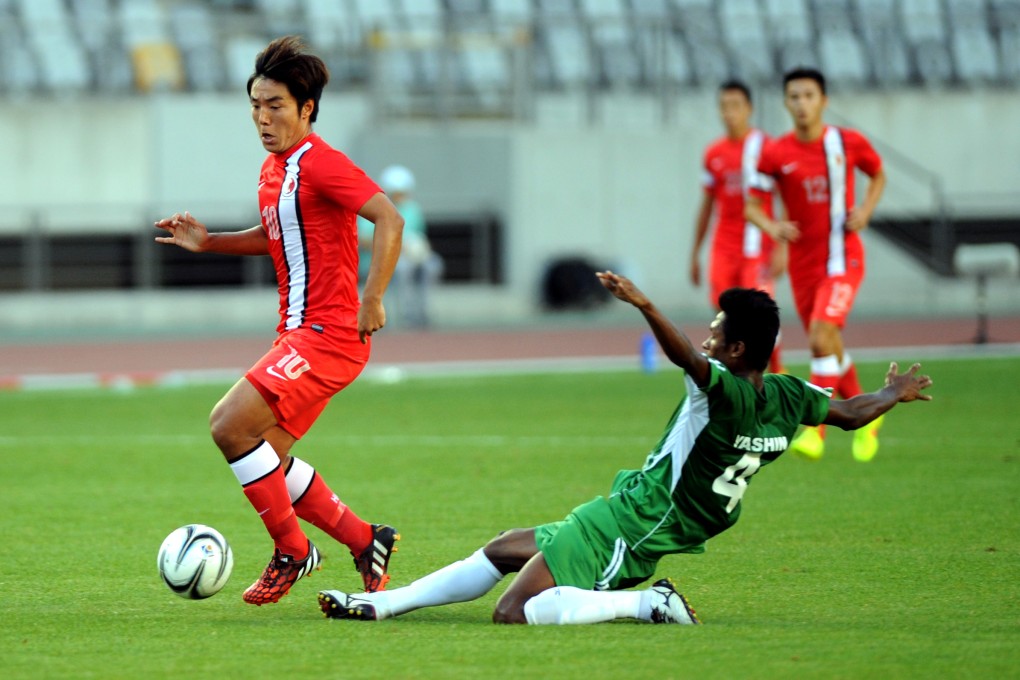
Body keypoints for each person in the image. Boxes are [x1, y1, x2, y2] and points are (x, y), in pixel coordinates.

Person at [317, 271, 932, 625]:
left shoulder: (723, 392)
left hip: (642, 522)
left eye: (718, 333)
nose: (709, 339)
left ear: (739, 350)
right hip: (646, 509)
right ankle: (381, 607)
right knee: (506, 548)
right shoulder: (790, 394)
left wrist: (644, 304)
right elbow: (849, 413)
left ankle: (647, 604)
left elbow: (684, 357)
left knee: (513, 612)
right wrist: (889, 391)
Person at [154, 36, 404, 606]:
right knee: (265, 451)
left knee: (227, 425)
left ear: (306, 109)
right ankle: (367, 540)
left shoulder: (322, 164)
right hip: (301, 333)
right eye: (255, 105)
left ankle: (292, 549)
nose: (262, 118)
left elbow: (388, 219)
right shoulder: (276, 170)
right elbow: (277, 237)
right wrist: (210, 241)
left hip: (331, 333)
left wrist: (374, 297)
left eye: (275, 106)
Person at [746, 67, 887, 462]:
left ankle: (815, 431)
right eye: (794, 96)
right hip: (803, 265)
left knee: (820, 336)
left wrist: (866, 211)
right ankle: (869, 417)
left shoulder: (847, 142)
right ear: (786, 103)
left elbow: (878, 175)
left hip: (844, 258)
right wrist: (773, 226)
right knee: (829, 343)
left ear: (823, 101)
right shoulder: (775, 152)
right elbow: (752, 206)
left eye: (809, 95)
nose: (802, 103)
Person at [691, 80, 785, 373]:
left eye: (735, 106)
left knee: (758, 316)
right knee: (724, 316)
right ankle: (737, 381)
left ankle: (776, 374)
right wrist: (695, 253)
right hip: (724, 246)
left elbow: (785, 197)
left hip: (757, 247)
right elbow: (707, 205)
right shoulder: (714, 153)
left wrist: (783, 246)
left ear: (749, 109)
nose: (729, 113)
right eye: (724, 106)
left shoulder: (766, 148)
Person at [358, 165, 443, 328]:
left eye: (404, 192)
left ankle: (424, 312)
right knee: (403, 268)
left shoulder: (413, 209)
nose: (400, 196)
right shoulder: (376, 206)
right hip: (381, 260)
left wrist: (421, 248)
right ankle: (406, 314)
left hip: (411, 257)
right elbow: (363, 239)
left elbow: (420, 235)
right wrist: (397, 246)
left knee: (432, 265)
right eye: (397, 192)